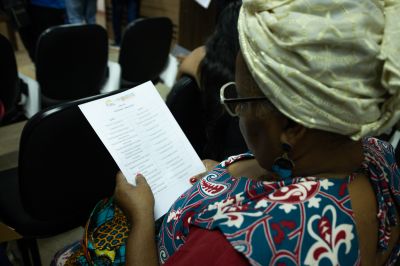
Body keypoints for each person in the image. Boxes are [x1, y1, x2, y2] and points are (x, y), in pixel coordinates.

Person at [54, 0, 400, 265]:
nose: (236, 112)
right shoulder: (376, 156)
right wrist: (221, 175)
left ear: (292, 126)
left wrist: (141, 216)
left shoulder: (241, 246)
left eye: (239, 99)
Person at [167, 1, 247, 161]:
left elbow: (179, 86)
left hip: (205, 151)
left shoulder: (202, 59)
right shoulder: (258, 76)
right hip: (239, 159)